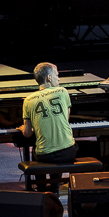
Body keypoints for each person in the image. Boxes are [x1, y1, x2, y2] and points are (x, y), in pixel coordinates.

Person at [18, 62, 76, 193]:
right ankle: (55, 189)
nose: (59, 79)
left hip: (45, 156)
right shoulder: (63, 92)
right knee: (61, 143)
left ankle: (41, 189)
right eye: (57, 75)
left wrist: (23, 128)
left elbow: (27, 134)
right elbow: (64, 121)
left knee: (36, 151)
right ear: (49, 78)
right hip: (68, 153)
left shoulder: (28, 100)